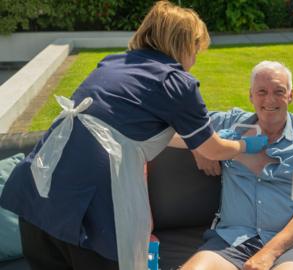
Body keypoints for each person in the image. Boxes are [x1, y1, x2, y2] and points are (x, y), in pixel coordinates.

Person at [0, 2, 267, 270]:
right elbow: (213, 149)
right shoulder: (176, 82)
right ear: (184, 44)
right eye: (196, 49)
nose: (195, 59)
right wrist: (246, 144)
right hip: (90, 217)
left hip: (38, 195)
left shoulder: (112, 65)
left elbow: (131, 129)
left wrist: (196, 144)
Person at [170, 61, 293, 270]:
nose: (270, 99)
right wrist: (202, 147)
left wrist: (269, 252)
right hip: (231, 241)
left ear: (291, 95)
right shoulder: (231, 124)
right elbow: (169, 128)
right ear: (250, 95)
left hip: (290, 246)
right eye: (262, 92)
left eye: (279, 91)